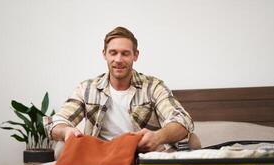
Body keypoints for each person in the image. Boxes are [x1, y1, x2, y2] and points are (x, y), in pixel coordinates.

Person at [45, 26, 201, 152]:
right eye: (113, 53)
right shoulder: (87, 88)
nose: (118, 60)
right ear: (104, 54)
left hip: (143, 154)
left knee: (192, 141)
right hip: (102, 154)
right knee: (61, 148)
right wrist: (66, 131)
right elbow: (56, 121)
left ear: (135, 55)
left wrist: (157, 137)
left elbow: (182, 120)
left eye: (125, 53)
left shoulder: (153, 87)